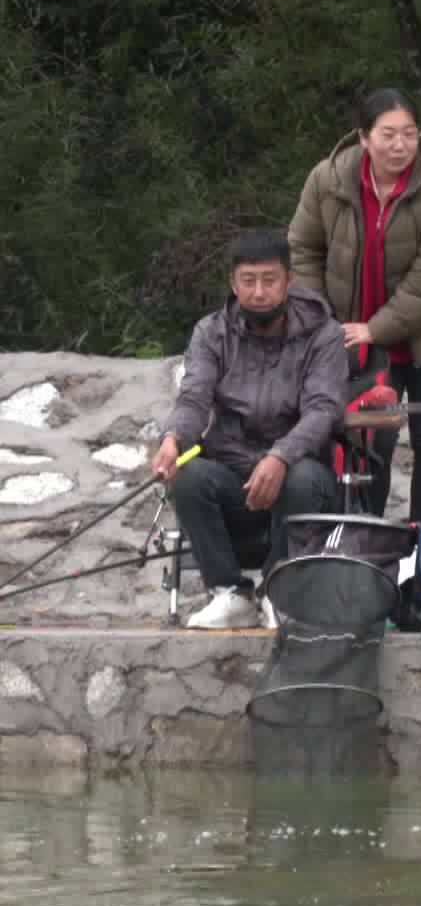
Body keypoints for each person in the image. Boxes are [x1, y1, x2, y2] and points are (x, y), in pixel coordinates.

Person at [288, 88, 421, 542]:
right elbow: (302, 248)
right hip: (360, 340)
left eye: (409, 134)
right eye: (388, 135)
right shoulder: (328, 179)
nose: (400, 146)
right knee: (373, 439)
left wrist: (376, 328)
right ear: (363, 138)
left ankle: (420, 546)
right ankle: (368, 541)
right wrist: (321, 320)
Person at [151, 230, 347, 630]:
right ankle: (229, 593)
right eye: (248, 280)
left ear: (289, 282)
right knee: (187, 477)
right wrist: (172, 440)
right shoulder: (211, 332)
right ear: (233, 283)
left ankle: (280, 590)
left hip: (301, 474)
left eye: (269, 280)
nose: (259, 292)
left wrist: (280, 456)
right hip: (231, 471)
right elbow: (193, 399)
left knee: (305, 477)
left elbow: (322, 410)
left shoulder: (324, 335)